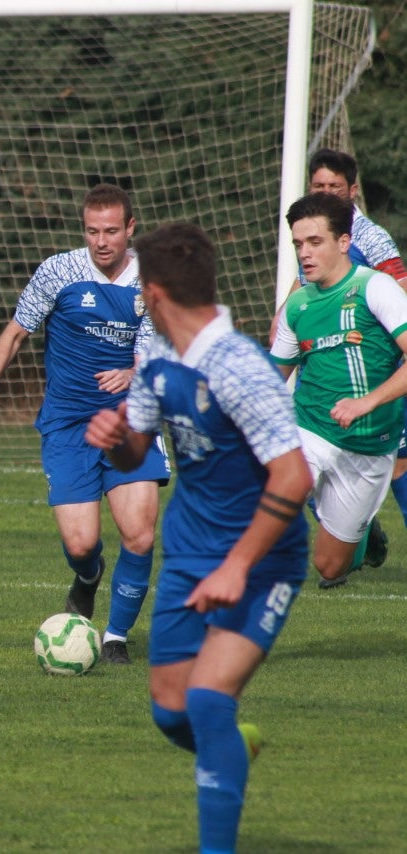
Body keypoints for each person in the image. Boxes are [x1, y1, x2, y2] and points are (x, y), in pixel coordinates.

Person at [85, 222, 311, 854]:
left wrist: (239, 566)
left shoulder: (240, 366)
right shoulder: (157, 355)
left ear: (153, 293)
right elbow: (137, 452)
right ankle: (234, 749)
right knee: (170, 710)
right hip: (188, 553)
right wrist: (119, 437)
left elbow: (292, 477)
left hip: (261, 562)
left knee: (209, 702)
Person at [0, 184, 169, 665]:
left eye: (111, 231)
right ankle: (88, 576)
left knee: (138, 533)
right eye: (92, 231)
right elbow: (15, 334)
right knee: (82, 544)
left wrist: (135, 372)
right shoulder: (58, 271)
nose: (101, 241)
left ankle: (115, 637)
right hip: (68, 423)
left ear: (130, 229)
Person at [271, 148, 407, 577]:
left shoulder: (377, 289)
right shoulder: (297, 306)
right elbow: (273, 377)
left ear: (344, 242)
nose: (305, 253)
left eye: (315, 242)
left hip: (370, 444)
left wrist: (367, 402)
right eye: (299, 244)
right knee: (271, 501)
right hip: (310, 427)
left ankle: (362, 533)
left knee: (331, 566)